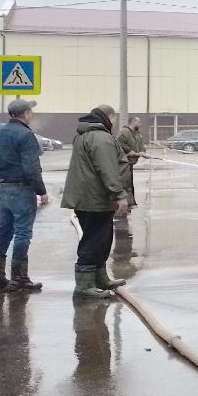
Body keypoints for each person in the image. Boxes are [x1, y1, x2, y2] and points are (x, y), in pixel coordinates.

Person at [61, 105, 130, 299]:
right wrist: (119, 194)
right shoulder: (101, 138)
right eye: (114, 118)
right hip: (95, 199)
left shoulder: (84, 136)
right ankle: (84, 286)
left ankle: (99, 279)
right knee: (94, 241)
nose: (114, 121)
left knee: (101, 239)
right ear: (109, 117)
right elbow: (108, 169)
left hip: (88, 198)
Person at [0, 99, 50, 293]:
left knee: (3, 231)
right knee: (22, 233)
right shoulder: (26, 135)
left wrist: (0, 182)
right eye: (31, 112)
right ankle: (19, 279)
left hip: (4, 187)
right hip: (22, 189)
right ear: (26, 113)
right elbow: (31, 168)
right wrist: (41, 191)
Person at [116, 115, 146, 214]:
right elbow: (120, 145)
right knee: (125, 184)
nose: (140, 124)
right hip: (123, 164)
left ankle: (129, 204)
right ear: (133, 122)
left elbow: (141, 145)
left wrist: (142, 152)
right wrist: (131, 152)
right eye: (139, 122)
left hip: (130, 164)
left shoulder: (137, 134)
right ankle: (122, 207)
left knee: (129, 184)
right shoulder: (124, 133)